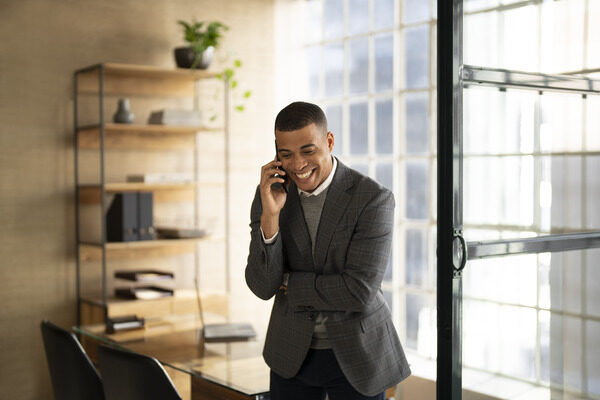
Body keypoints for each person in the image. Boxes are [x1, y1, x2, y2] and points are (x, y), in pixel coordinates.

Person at [245, 101, 411, 400]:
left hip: (356, 355)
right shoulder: (269, 195)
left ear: (329, 141)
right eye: (286, 154)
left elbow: (358, 291)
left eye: (308, 150)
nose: (297, 165)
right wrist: (270, 218)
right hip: (291, 352)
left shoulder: (372, 199)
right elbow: (261, 285)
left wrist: (290, 283)